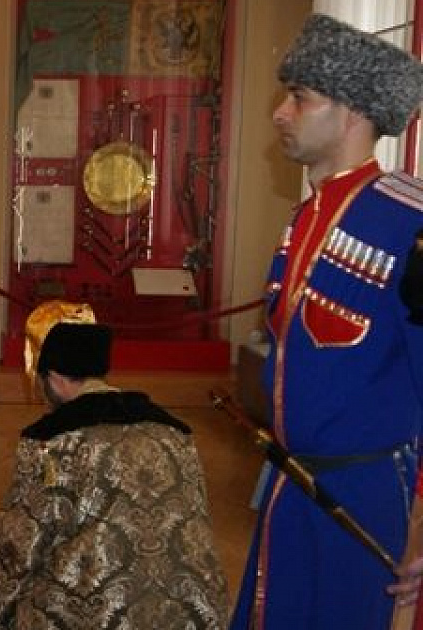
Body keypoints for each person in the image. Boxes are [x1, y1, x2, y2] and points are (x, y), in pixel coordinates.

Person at [230, 14, 423, 630]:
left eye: (300, 97)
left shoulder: (408, 225)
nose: (280, 113)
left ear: (352, 112)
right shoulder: (305, 219)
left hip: (366, 505)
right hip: (292, 490)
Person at [0, 307, 228, 629]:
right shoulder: (176, 434)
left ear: (55, 379)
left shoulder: (53, 442)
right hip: (192, 607)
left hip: (99, 614)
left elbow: (19, 546)